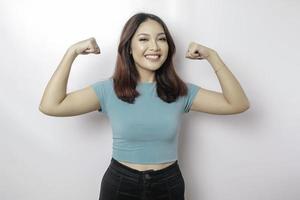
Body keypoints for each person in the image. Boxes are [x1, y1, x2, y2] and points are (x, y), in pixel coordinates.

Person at [39, 12, 250, 200]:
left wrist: (212, 57)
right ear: (129, 47)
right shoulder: (108, 90)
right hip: (120, 184)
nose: (155, 47)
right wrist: (71, 53)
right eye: (143, 39)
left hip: (168, 184)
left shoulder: (180, 91)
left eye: (161, 39)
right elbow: (51, 105)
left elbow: (238, 103)